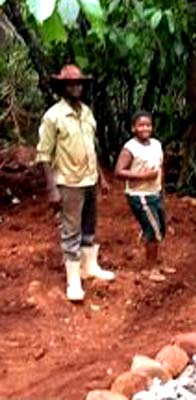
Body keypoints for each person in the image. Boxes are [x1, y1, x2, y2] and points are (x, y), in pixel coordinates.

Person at [36, 64, 115, 303]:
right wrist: (51, 189)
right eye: (71, 84)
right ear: (62, 87)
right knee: (71, 228)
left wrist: (101, 175)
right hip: (68, 180)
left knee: (89, 223)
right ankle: (73, 280)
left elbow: (91, 147)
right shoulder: (53, 116)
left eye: (79, 83)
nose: (76, 87)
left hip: (89, 178)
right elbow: (44, 154)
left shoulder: (87, 113)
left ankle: (89, 266)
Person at [115, 111, 173, 282]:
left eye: (148, 125)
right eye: (141, 125)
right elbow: (119, 171)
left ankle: (157, 262)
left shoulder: (156, 144)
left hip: (155, 192)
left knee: (161, 227)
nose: (145, 128)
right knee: (153, 229)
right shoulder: (130, 148)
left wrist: (161, 190)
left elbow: (160, 167)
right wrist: (142, 177)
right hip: (139, 195)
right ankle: (151, 268)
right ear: (133, 128)